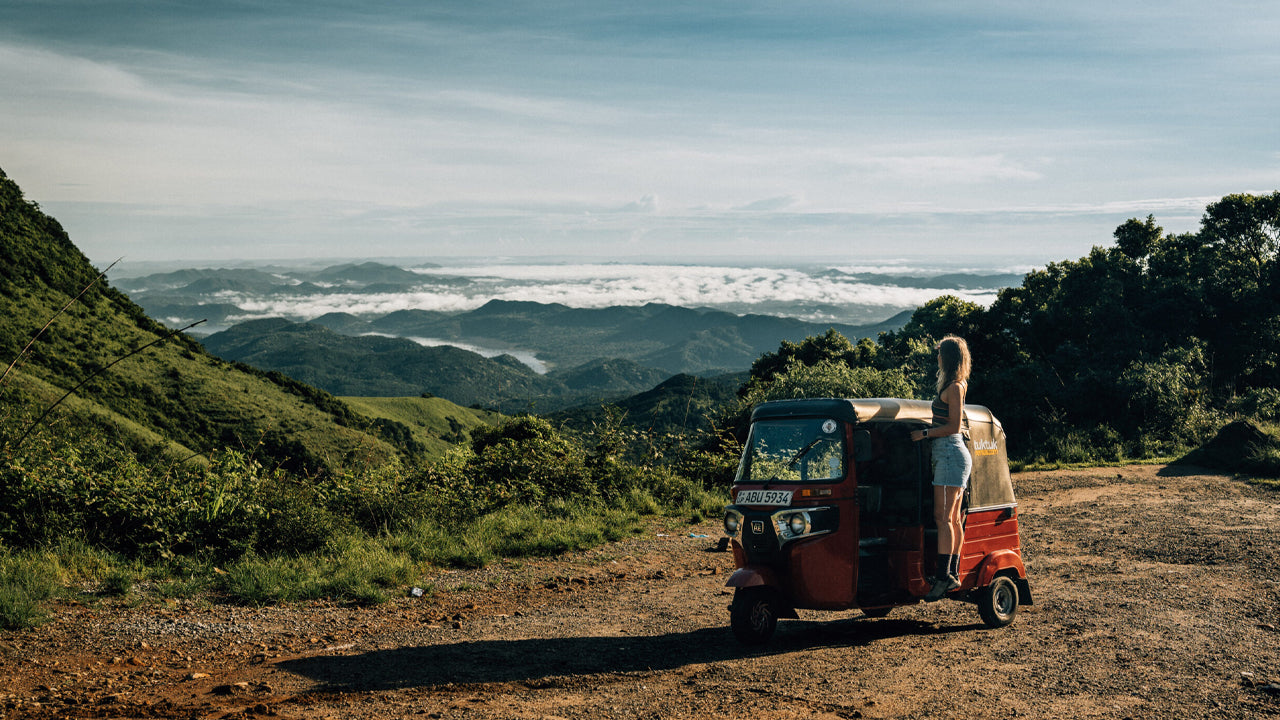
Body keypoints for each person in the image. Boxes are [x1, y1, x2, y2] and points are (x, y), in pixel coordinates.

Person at [911, 334, 973, 601]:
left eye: (939, 353)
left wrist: (924, 434)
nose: (936, 357)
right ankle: (951, 572)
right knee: (954, 518)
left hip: (949, 452)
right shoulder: (955, 384)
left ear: (947, 357)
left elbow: (953, 427)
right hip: (950, 454)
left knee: (943, 518)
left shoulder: (955, 387)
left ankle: (943, 575)